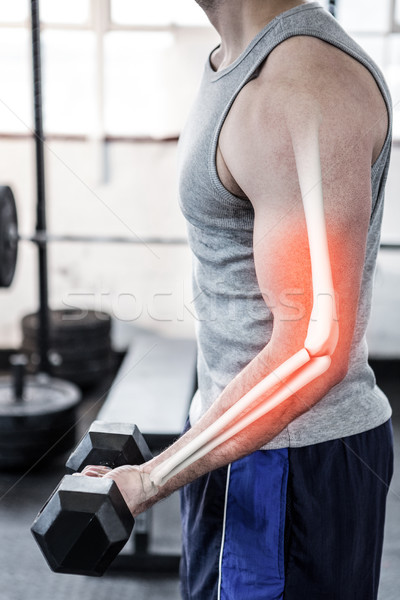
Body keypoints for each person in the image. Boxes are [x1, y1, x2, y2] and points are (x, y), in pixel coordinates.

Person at [83, 1, 394, 598]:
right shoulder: (239, 62)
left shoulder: (300, 85)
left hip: (285, 461)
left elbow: (313, 347)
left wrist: (150, 480)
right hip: (245, 440)